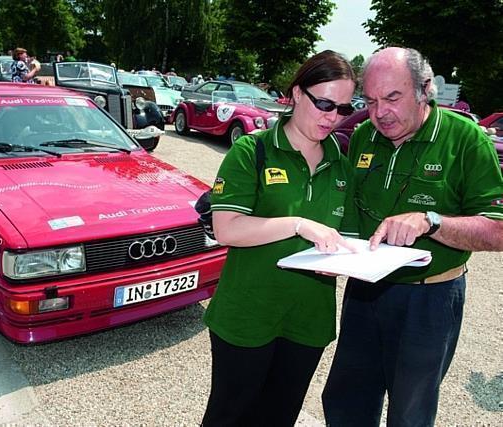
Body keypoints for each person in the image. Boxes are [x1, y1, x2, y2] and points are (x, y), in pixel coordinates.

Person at [322, 47, 503, 426]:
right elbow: (351, 214)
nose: (379, 112)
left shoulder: (467, 141)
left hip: (429, 299)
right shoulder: (364, 137)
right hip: (364, 290)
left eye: (392, 98)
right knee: (345, 399)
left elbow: (498, 230)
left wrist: (432, 221)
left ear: (424, 90)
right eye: (370, 101)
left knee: (410, 412)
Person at [201, 50, 357, 426]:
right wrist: (297, 223)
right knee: (229, 415)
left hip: (308, 321)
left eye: (343, 108)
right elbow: (227, 228)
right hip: (247, 316)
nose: (332, 117)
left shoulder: (342, 162)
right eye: (324, 103)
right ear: (297, 94)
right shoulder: (252, 150)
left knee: (279, 417)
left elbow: (346, 234)